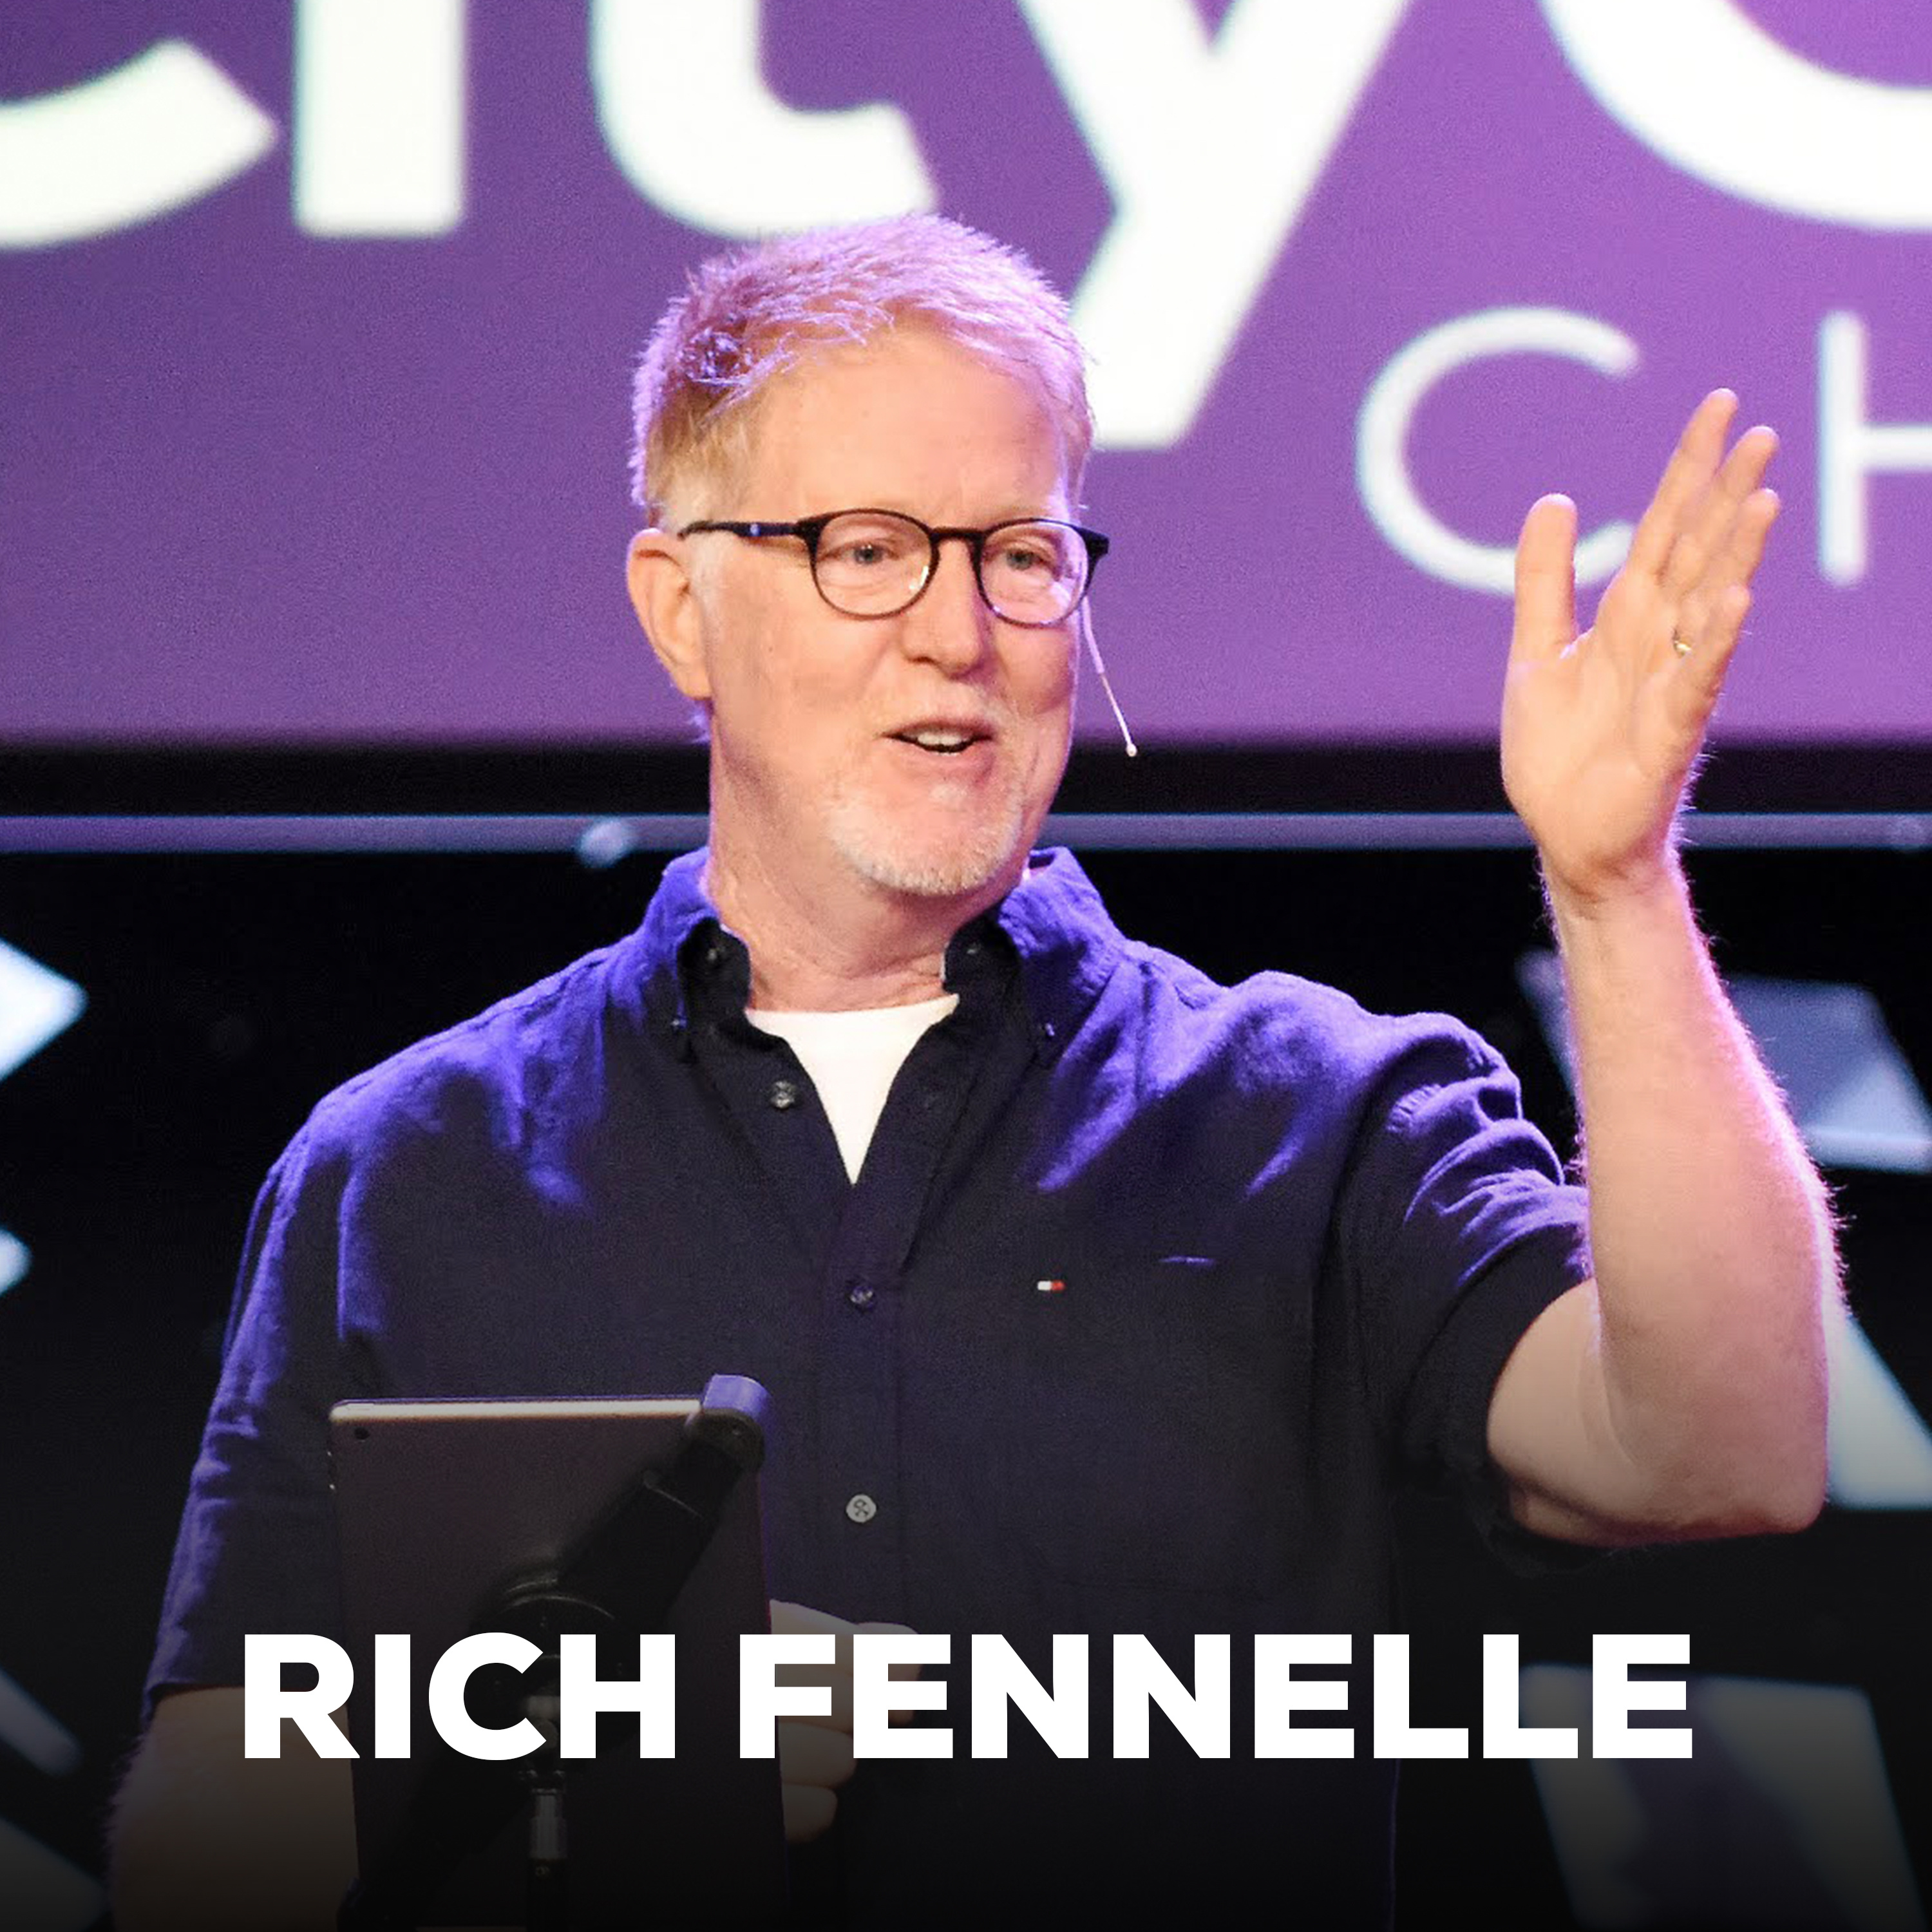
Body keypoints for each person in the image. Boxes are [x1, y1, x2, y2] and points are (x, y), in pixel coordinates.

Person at [110, 215, 1834, 1927]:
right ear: (681, 610)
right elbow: (197, 1856)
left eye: (1019, 553)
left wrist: (1614, 882)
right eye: (866, 550)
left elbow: (1721, 1449)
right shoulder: (413, 1170)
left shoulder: (1318, 1120)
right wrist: (590, 1779)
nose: (960, 630)